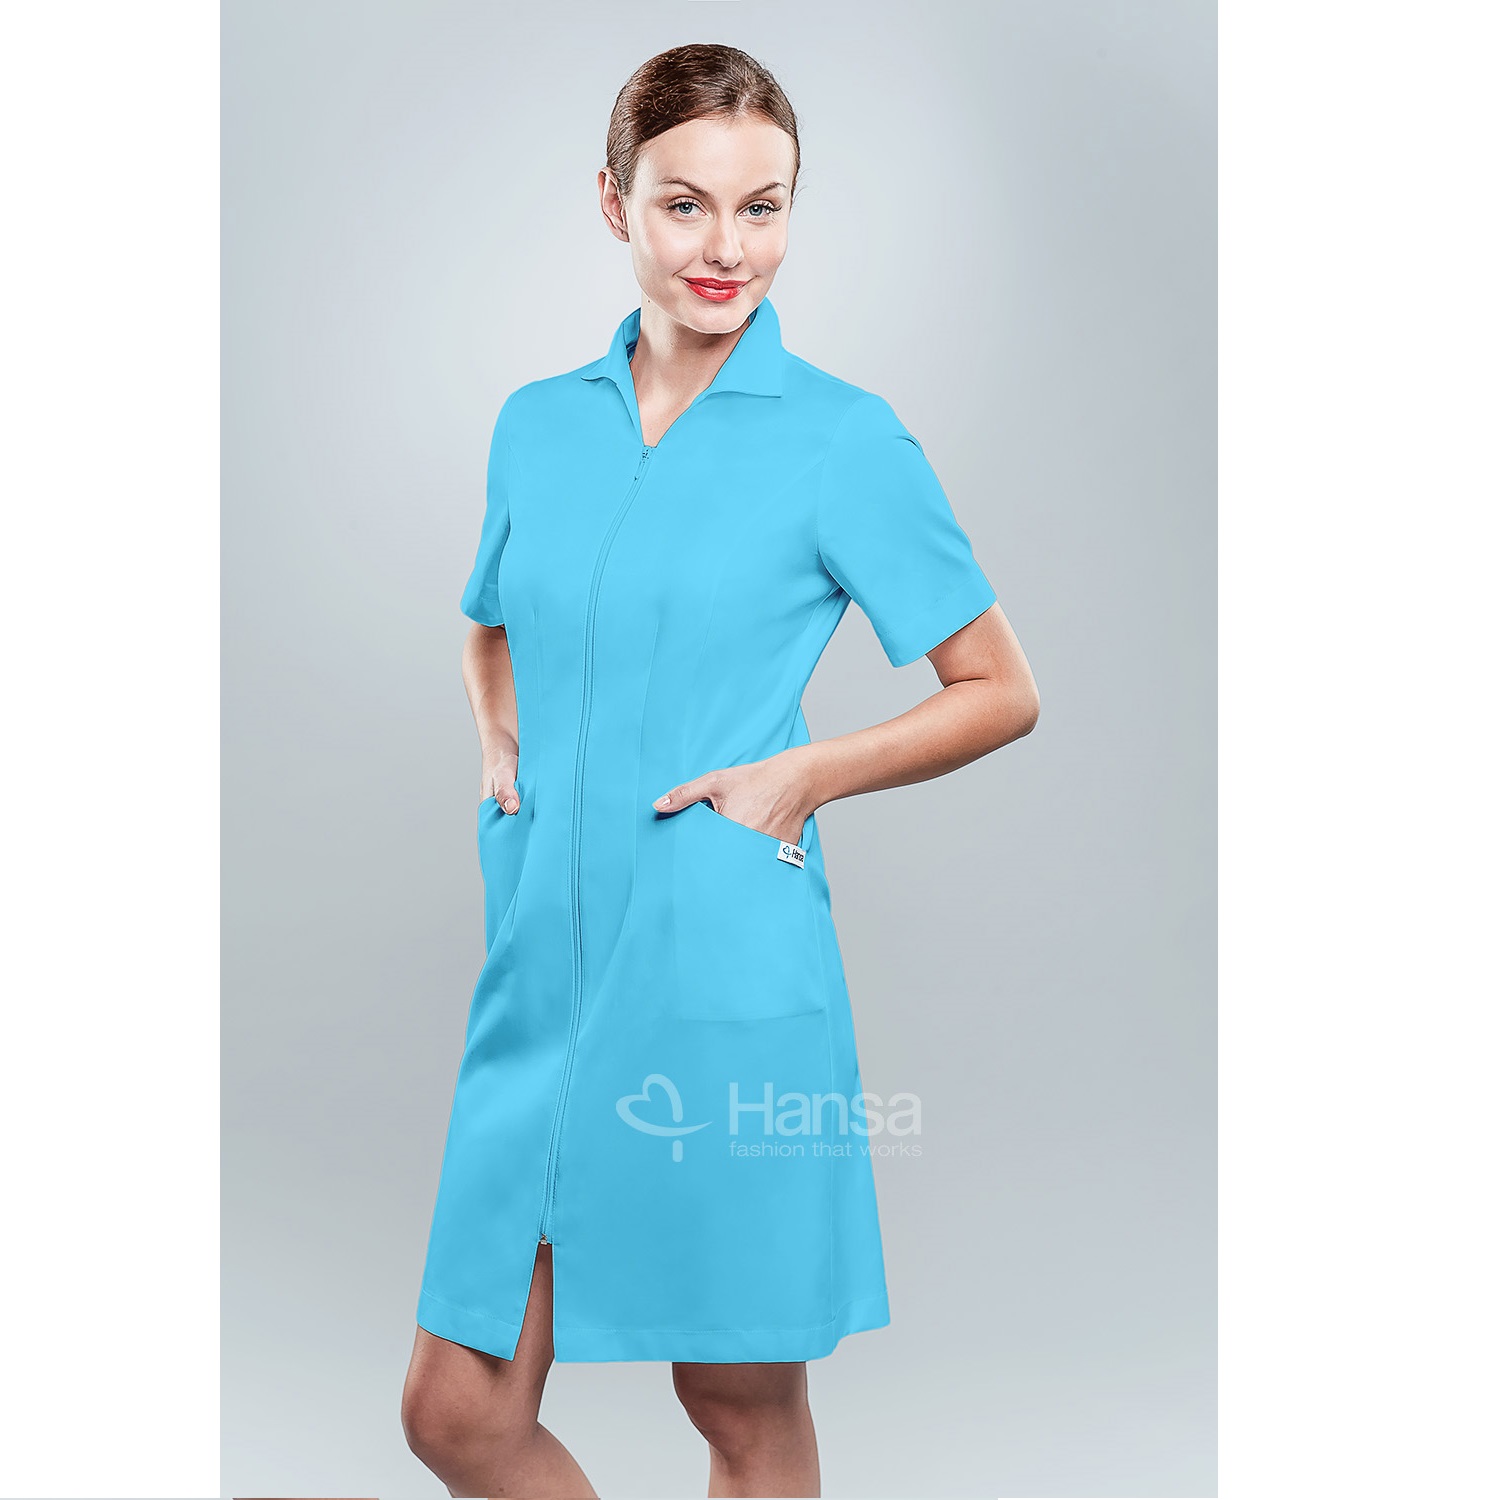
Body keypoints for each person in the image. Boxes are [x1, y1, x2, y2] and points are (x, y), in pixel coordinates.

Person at [401, 41, 1040, 1500]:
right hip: (541, 979)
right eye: (685, 204)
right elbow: (489, 618)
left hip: (716, 966)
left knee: (739, 1400)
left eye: (764, 207)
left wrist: (800, 777)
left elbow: (1001, 690)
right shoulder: (537, 423)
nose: (726, 248)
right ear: (612, 202)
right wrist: (500, 739)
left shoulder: (841, 438)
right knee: (455, 1410)